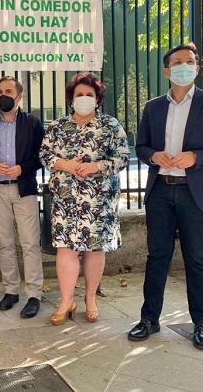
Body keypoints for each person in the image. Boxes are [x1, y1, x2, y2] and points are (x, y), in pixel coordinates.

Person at [128, 43, 203, 350]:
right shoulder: (153, 107)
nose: (183, 66)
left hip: (196, 194)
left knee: (196, 258)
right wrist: (153, 156)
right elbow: (141, 148)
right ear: (166, 70)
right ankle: (149, 319)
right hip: (161, 191)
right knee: (157, 257)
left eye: (190, 62)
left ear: (197, 68)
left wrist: (196, 157)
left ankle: (201, 324)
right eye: (177, 62)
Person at [40, 72, 129, 325]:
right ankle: (66, 300)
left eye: (89, 95)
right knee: (65, 249)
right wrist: (65, 165)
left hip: (98, 200)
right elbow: (44, 155)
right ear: (71, 99)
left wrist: (98, 166)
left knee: (94, 249)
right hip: (66, 199)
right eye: (79, 95)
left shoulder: (110, 125)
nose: (84, 98)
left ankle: (90, 298)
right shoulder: (57, 127)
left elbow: (122, 156)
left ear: (97, 99)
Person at [0, 76, 45, 318]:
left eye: (8, 91)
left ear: (20, 96)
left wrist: (23, 168)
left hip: (23, 189)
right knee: (4, 242)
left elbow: (43, 156)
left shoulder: (32, 123)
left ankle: (33, 294)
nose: (3, 95)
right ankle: (10, 291)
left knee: (30, 243)